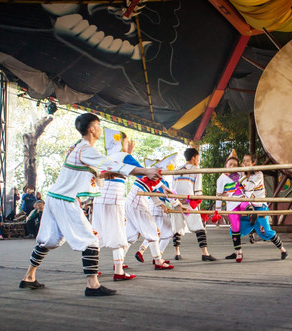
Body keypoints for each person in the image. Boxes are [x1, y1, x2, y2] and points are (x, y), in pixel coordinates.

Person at [18, 113, 161, 297]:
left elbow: (94, 171)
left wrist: (104, 175)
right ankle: (92, 285)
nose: (100, 130)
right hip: (65, 200)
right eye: (99, 126)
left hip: (55, 197)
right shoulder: (86, 149)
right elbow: (110, 164)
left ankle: (28, 277)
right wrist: (145, 171)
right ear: (92, 129)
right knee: (91, 239)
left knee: (49, 240)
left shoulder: (77, 147)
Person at [92, 128, 141, 281]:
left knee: (97, 234)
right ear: (121, 142)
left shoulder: (105, 157)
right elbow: (140, 171)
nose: (128, 144)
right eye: (126, 142)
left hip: (99, 198)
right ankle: (119, 271)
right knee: (119, 234)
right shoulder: (124, 156)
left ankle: (91, 267)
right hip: (114, 199)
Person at [237, 153, 288, 260]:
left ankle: (282, 249)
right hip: (248, 207)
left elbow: (249, 187)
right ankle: (237, 252)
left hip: (259, 206)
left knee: (266, 231)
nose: (244, 163)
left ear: (253, 163)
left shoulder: (258, 174)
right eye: (244, 160)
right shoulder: (242, 174)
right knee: (236, 227)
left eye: (247, 161)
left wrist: (242, 175)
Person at [135, 155, 184, 265]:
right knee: (165, 232)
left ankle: (144, 251)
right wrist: (179, 205)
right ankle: (155, 255)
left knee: (155, 232)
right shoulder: (162, 182)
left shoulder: (151, 179)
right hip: (159, 208)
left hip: (151, 207)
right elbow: (169, 197)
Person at [171, 147, 216, 261]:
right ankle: (205, 253)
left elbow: (173, 188)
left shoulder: (176, 169)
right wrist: (198, 205)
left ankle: (177, 253)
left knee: (177, 227)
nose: (198, 161)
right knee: (198, 226)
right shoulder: (196, 170)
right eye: (198, 158)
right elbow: (198, 191)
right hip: (189, 202)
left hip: (175, 202)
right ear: (194, 158)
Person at [215, 150, 250, 263]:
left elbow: (248, 183)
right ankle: (238, 252)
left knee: (246, 206)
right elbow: (219, 195)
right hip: (231, 204)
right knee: (235, 227)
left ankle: (251, 214)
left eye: (235, 165)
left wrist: (244, 170)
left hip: (242, 199)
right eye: (230, 164)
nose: (233, 166)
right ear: (226, 165)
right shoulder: (221, 178)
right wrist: (217, 211)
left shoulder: (241, 173)